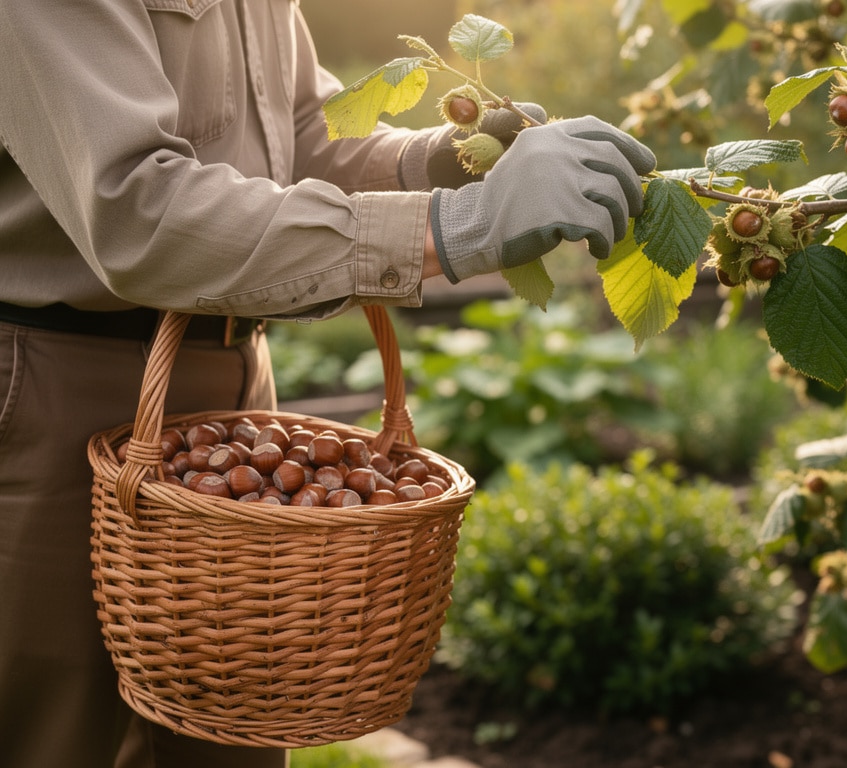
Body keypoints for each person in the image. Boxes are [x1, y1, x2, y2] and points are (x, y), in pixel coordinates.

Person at [0, 1, 656, 766]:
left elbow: (299, 138)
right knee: (47, 738)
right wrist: (457, 224)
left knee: (235, 736)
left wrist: (436, 161)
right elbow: (138, 210)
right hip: (59, 379)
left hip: (228, 391)